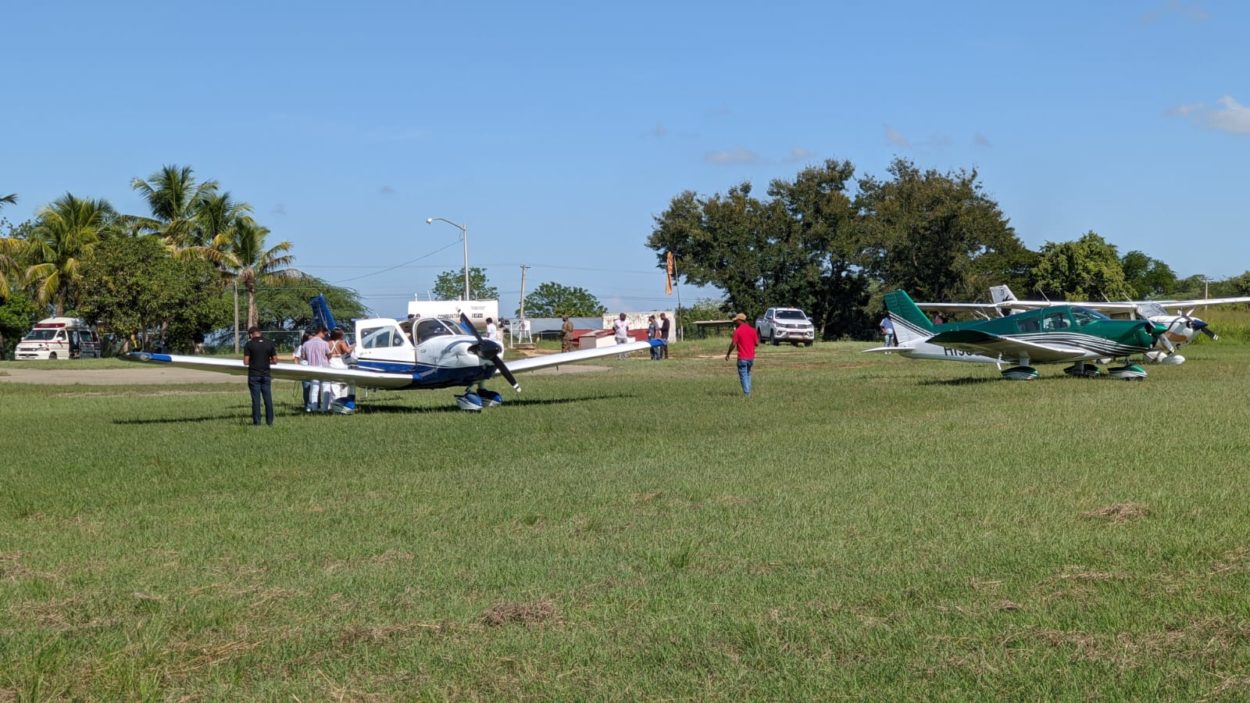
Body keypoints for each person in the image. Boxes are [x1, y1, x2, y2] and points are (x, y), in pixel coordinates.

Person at [242, 326, 278, 426]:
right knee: (268, 399)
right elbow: (275, 361)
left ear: (251, 334)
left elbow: (245, 362)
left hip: (254, 375)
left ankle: (257, 422)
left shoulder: (249, 344)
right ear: (260, 333)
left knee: (256, 400)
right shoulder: (269, 343)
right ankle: (270, 421)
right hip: (266, 374)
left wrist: (254, 360)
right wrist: (266, 360)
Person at [725, 313, 758, 396]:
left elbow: (733, 344)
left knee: (743, 375)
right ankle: (748, 392)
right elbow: (757, 343)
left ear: (740, 320)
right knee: (748, 374)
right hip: (751, 357)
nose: (735, 322)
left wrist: (728, 353)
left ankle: (747, 394)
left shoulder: (738, 331)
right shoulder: (753, 330)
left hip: (742, 357)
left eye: (736, 321)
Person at [299, 327, 331, 412]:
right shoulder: (325, 343)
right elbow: (329, 355)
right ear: (321, 332)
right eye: (325, 333)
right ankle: (325, 408)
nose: (325, 335)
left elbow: (304, 357)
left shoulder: (306, 344)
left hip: (312, 368)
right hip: (324, 367)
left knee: (314, 389)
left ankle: (313, 408)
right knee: (326, 388)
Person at [325, 328, 354, 409]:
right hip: (340, 362)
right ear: (339, 335)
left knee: (334, 385)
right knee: (344, 384)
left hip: (331, 362)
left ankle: (333, 404)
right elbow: (348, 351)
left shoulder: (328, 343)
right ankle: (341, 403)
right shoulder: (341, 343)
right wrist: (353, 346)